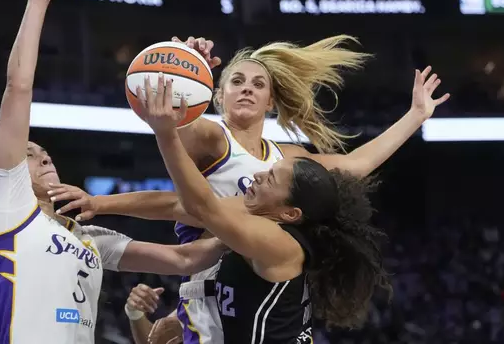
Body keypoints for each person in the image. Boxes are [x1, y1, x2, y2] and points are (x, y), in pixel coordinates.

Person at [63, 36, 449, 342]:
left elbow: (356, 165)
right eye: (237, 81)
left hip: (261, 287)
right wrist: (185, 70)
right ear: (219, 95)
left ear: (271, 102)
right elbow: (176, 145)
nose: (247, 89)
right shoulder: (214, 137)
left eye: (258, 84)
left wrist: (415, 115)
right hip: (211, 291)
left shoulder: (287, 161)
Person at [0, 0, 225, 343]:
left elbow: (186, 259)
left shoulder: (90, 236)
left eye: (45, 153)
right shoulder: (9, 207)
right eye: (30, 154)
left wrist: (259, 222)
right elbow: (18, 88)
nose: (44, 156)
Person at [107, 76, 390, 342]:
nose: (257, 176)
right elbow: (183, 235)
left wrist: (165, 133)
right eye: (237, 80)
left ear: (290, 212)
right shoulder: (254, 228)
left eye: (270, 178)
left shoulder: (276, 241)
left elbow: (200, 206)